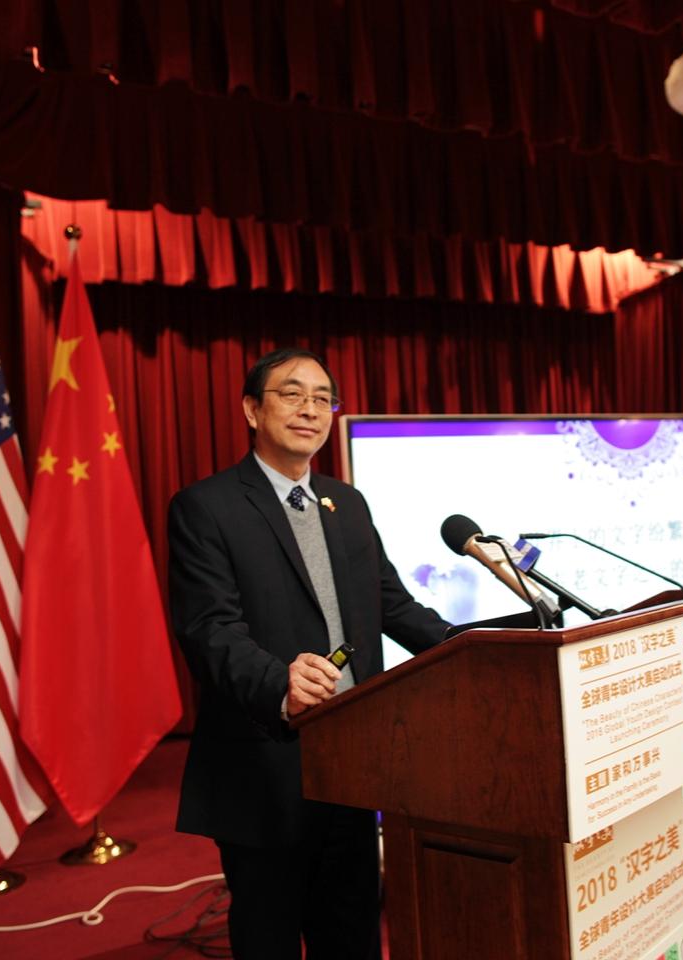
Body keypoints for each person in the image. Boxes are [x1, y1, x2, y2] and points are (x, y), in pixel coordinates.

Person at [167, 347, 451, 960]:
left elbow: (393, 606)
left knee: (351, 932)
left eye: (323, 398)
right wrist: (280, 683)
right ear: (252, 409)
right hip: (265, 764)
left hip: (352, 759)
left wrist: (472, 649)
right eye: (292, 394)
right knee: (268, 935)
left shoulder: (346, 503)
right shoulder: (207, 507)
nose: (310, 409)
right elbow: (209, 628)